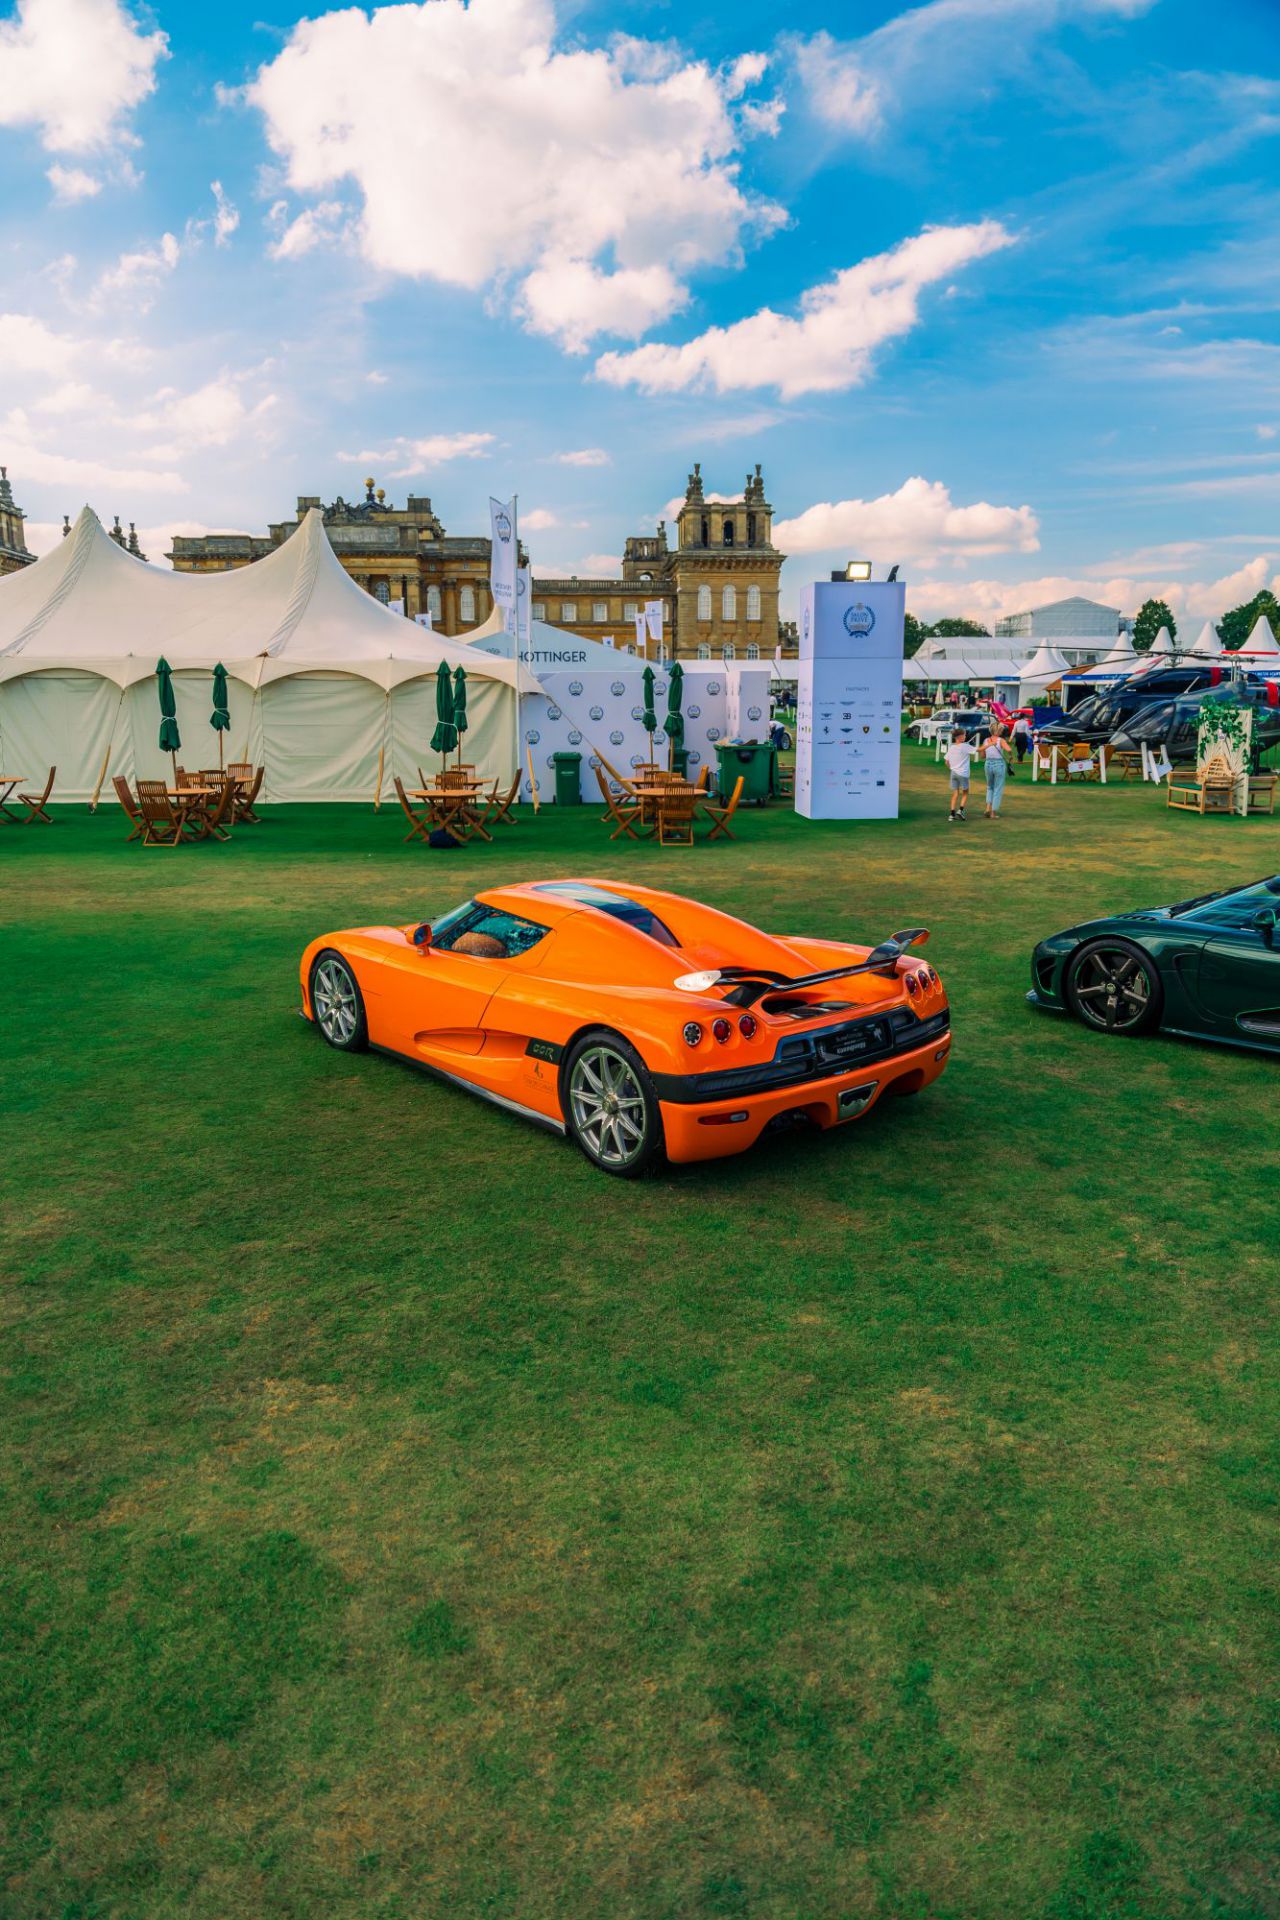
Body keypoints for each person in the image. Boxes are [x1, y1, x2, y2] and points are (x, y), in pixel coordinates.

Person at [982, 723, 1015, 819]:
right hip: (998, 765)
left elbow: (983, 755)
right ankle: (993, 813)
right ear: (999, 731)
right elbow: (1009, 749)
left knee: (989, 787)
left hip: (988, 764)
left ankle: (988, 808)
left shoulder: (986, 740)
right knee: (998, 788)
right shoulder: (1001, 740)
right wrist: (1011, 756)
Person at [945, 727, 975, 821]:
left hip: (953, 773)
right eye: (964, 735)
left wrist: (952, 768)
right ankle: (960, 811)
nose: (965, 736)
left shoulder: (952, 747)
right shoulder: (965, 746)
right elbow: (978, 749)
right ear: (960, 737)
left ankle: (951, 815)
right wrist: (990, 744)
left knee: (955, 793)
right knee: (965, 792)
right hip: (963, 774)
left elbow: (946, 761)